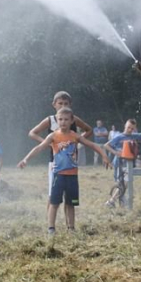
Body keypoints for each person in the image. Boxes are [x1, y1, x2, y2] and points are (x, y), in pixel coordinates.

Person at [19, 107, 110, 233]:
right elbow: (39, 148)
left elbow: (92, 145)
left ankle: (71, 228)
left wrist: (104, 155)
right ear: (57, 120)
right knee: (54, 202)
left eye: (66, 119)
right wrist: (26, 159)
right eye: (60, 119)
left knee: (71, 203)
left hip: (72, 176)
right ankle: (51, 228)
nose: (63, 122)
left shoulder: (75, 136)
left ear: (72, 121)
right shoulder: (53, 136)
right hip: (58, 175)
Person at [28, 91, 92, 228]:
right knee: (53, 194)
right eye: (60, 103)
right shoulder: (50, 120)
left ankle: (70, 226)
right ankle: (50, 225)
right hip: (55, 163)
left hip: (70, 163)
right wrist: (47, 143)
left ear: (70, 105)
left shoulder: (73, 119)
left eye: (66, 103)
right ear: (54, 105)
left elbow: (88, 130)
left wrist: (79, 142)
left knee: (69, 197)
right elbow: (32, 132)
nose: (62, 105)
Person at [103, 119, 141, 208]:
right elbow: (106, 145)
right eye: (128, 127)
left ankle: (116, 202)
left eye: (132, 128)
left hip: (129, 164)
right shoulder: (119, 137)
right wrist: (115, 152)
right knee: (121, 183)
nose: (130, 130)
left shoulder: (134, 136)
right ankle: (112, 202)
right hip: (119, 163)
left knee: (125, 183)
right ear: (125, 126)